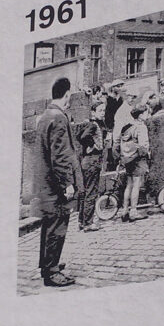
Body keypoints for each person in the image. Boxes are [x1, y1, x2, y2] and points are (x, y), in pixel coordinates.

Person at [35, 77, 81, 288]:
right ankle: (52, 273)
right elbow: (60, 156)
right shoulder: (59, 118)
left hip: (46, 183)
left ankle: (47, 265)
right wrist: (67, 184)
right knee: (57, 226)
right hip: (56, 185)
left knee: (49, 226)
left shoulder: (45, 116)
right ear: (67, 94)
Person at [116, 103, 151, 222]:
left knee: (129, 185)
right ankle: (134, 211)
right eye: (146, 113)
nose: (147, 115)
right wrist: (146, 154)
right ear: (140, 115)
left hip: (128, 159)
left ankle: (125, 211)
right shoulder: (141, 127)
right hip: (138, 159)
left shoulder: (128, 126)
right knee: (137, 185)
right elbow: (143, 146)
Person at [77, 104, 104, 231]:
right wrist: (92, 145)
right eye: (100, 110)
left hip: (87, 161)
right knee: (91, 192)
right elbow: (82, 137)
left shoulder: (88, 124)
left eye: (104, 110)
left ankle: (82, 221)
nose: (103, 112)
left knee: (86, 192)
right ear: (93, 112)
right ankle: (88, 223)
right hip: (93, 160)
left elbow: (78, 136)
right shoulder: (93, 125)